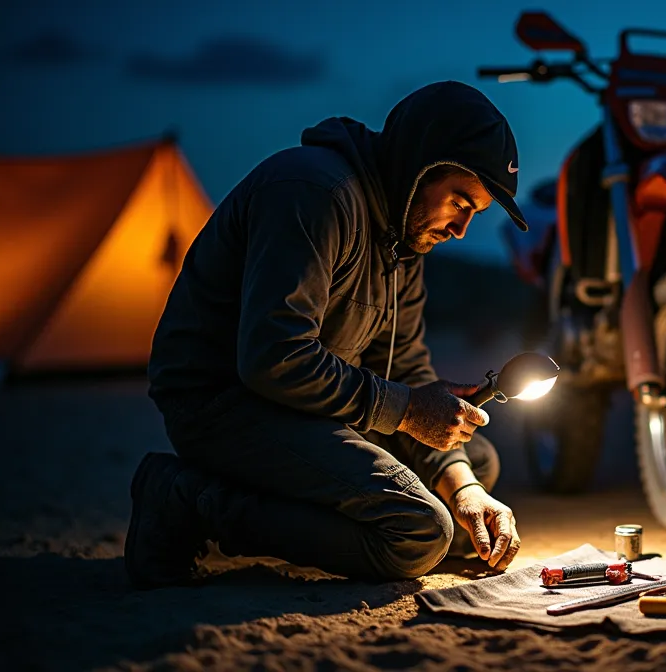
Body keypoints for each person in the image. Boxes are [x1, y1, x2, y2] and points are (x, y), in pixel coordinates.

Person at [126, 81, 532, 589]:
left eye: (474, 213)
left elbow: (405, 366)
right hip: (224, 403)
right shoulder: (314, 194)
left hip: (306, 407)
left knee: (472, 465)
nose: (461, 229)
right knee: (419, 531)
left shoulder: (402, 240)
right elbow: (274, 357)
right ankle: (188, 500)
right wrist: (406, 411)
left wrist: (465, 486)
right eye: (458, 202)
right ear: (419, 166)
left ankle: (326, 508)